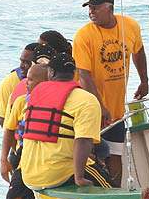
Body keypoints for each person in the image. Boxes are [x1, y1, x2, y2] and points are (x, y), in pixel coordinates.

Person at [73, 0, 149, 187]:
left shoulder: (130, 26)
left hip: (116, 110)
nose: (91, 12)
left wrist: (144, 80)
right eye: (89, 8)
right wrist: (100, 106)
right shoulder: (83, 36)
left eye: (96, 8)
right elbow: (84, 75)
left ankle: (115, 190)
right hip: (91, 110)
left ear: (109, 8)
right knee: (92, 157)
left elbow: (139, 51)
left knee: (115, 155)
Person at [19, 53, 114, 190]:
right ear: (74, 73)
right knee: (110, 187)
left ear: (51, 73)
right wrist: (79, 177)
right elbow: (84, 140)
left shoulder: (35, 93)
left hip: (28, 174)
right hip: (58, 174)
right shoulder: (87, 100)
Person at [0, 63, 49, 199]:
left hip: (49, 157)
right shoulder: (21, 102)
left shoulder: (56, 103)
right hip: (25, 157)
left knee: (46, 195)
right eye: (26, 78)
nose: (26, 83)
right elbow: (8, 130)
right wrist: (4, 159)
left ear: (45, 83)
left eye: (31, 79)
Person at [0, 43, 38, 127]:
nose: (21, 66)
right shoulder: (11, 80)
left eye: (27, 62)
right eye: (21, 61)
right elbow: (1, 117)